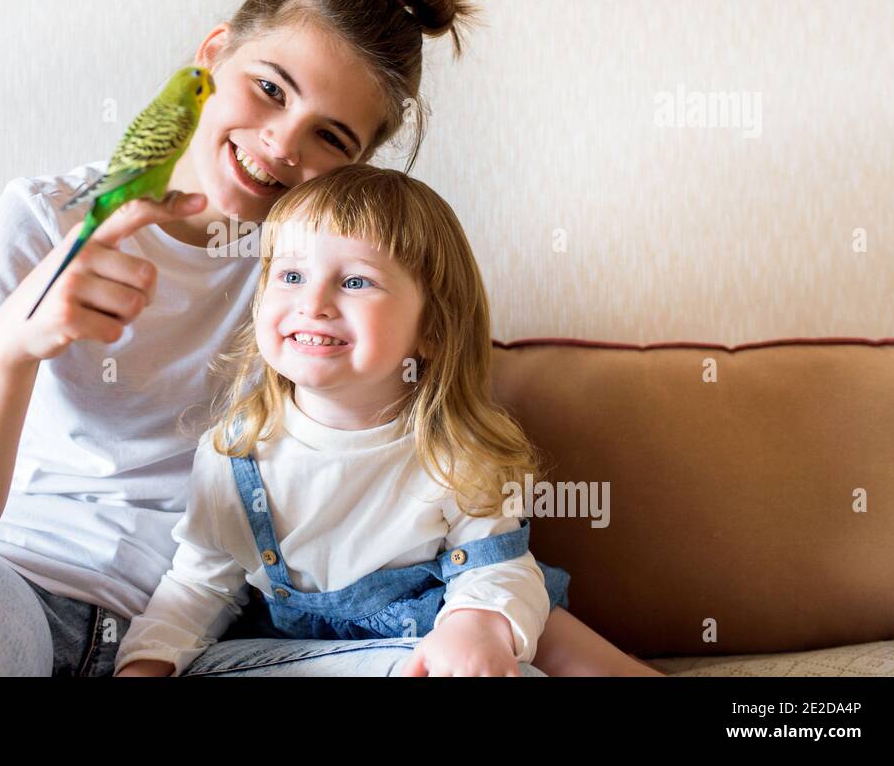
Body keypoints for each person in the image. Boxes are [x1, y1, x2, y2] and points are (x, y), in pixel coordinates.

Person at [0, 0, 655, 676]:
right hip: (22, 590)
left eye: (330, 140)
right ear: (214, 54)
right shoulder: (51, 218)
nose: (280, 148)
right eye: (267, 89)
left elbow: (434, 492)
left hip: (224, 630)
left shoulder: (313, 285)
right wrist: (18, 343)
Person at [117, 165, 567, 677]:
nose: (312, 303)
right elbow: (199, 584)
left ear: (433, 329)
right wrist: (147, 663)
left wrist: (477, 625)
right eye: (291, 276)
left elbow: (498, 568)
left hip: (419, 651)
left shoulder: (456, 454)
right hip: (283, 662)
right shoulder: (235, 452)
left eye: (355, 281)